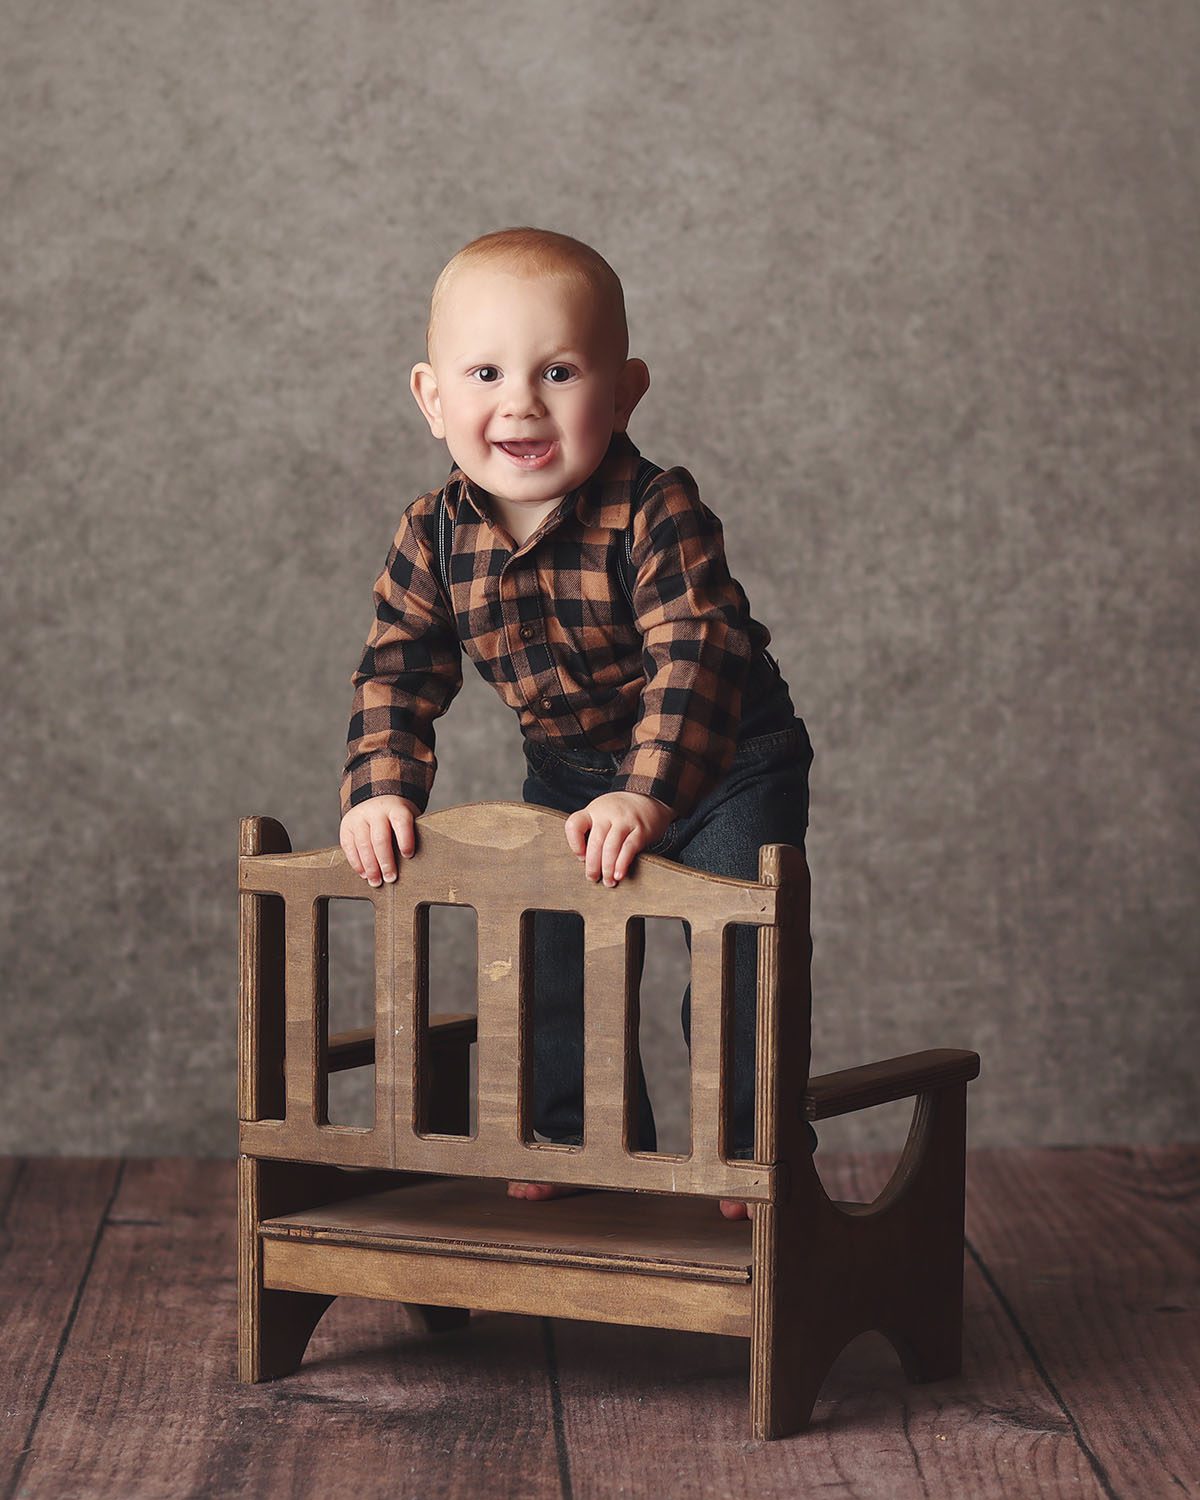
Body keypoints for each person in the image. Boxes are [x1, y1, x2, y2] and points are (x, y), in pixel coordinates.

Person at [338, 227, 815, 1219]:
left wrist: (646, 793)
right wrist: (383, 785)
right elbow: (399, 667)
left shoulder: (655, 509)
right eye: (485, 373)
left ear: (624, 390)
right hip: (567, 769)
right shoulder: (432, 533)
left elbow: (696, 649)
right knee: (551, 943)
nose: (519, 403)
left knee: (734, 941)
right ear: (431, 398)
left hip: (724, 757)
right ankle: (572, 1129)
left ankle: (746, 1146)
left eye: (558, 371)